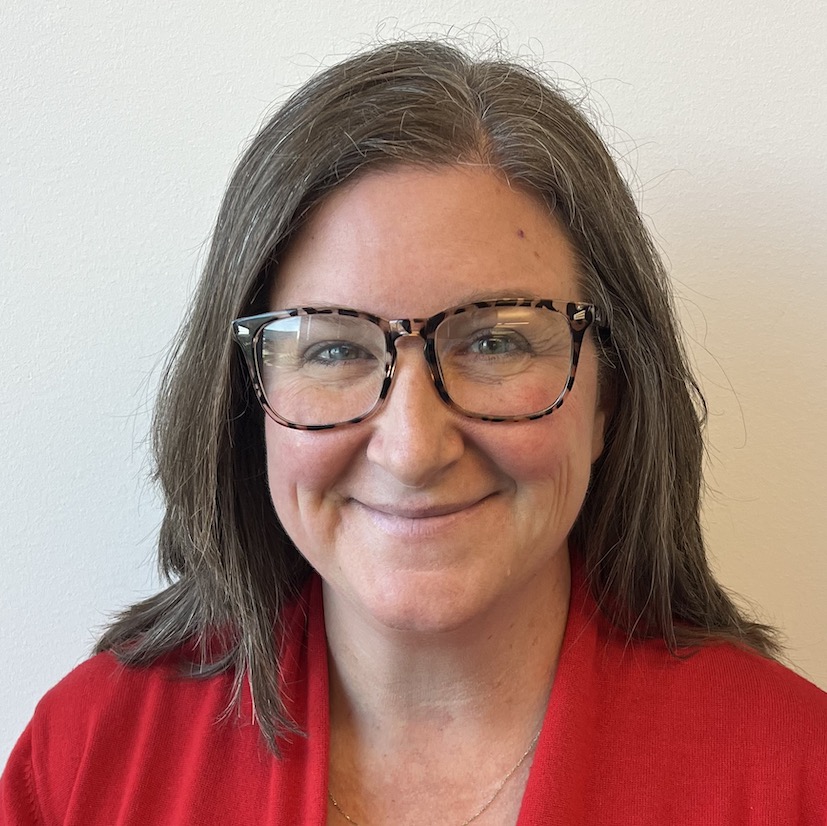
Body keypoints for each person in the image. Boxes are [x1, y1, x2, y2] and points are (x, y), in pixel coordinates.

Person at [2, 38, 826, 826]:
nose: (412, 449)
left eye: (496, 340)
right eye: (331, 348)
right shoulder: (84, 762)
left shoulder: (797, 777)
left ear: (611, 394)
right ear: (243, 402)